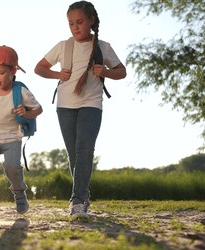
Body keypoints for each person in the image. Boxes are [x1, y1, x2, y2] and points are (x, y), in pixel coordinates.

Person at [34, 1, 126, 218]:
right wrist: (58, 75)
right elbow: (39, 68)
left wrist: (105, 72)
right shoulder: (62, 46)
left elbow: (121, 72)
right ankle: (83, 195)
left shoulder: (103, 47)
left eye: (80, 22)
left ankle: (76, 202)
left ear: (91, 21)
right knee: (74, 155)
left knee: (85, 151)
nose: (75, 27)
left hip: (91, 105)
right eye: (71, 23)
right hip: (65, 106)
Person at [0, 46, 43, 227]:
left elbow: (39, 109)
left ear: (13, 71)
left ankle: (19, 191)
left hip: (12, 137)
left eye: (1, 73)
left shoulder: (21, 91)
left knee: (12, 166)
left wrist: (26, 112)